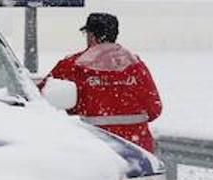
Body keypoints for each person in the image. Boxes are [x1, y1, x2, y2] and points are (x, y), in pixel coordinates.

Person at [45, 12, 163, 152]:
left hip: (95, 149)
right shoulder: (136, 65)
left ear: (91, 36)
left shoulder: (72, 65)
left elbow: (43, 98)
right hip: (138, 149)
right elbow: (154, 108)